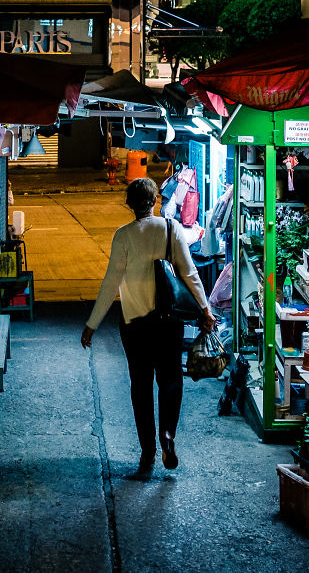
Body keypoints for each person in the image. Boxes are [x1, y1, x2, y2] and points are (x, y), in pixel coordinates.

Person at [81, 178, 216, 472]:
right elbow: (190, 274)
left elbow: (109, 284)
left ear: (129, 204)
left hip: (135, 325)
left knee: (140, 387)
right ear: (155, 200)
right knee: (170, 379)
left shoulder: (123, 236)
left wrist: (92, 324)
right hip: (168, 322)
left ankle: (147, 454)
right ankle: (168, 436)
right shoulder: (171, 229)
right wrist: (205, 309)